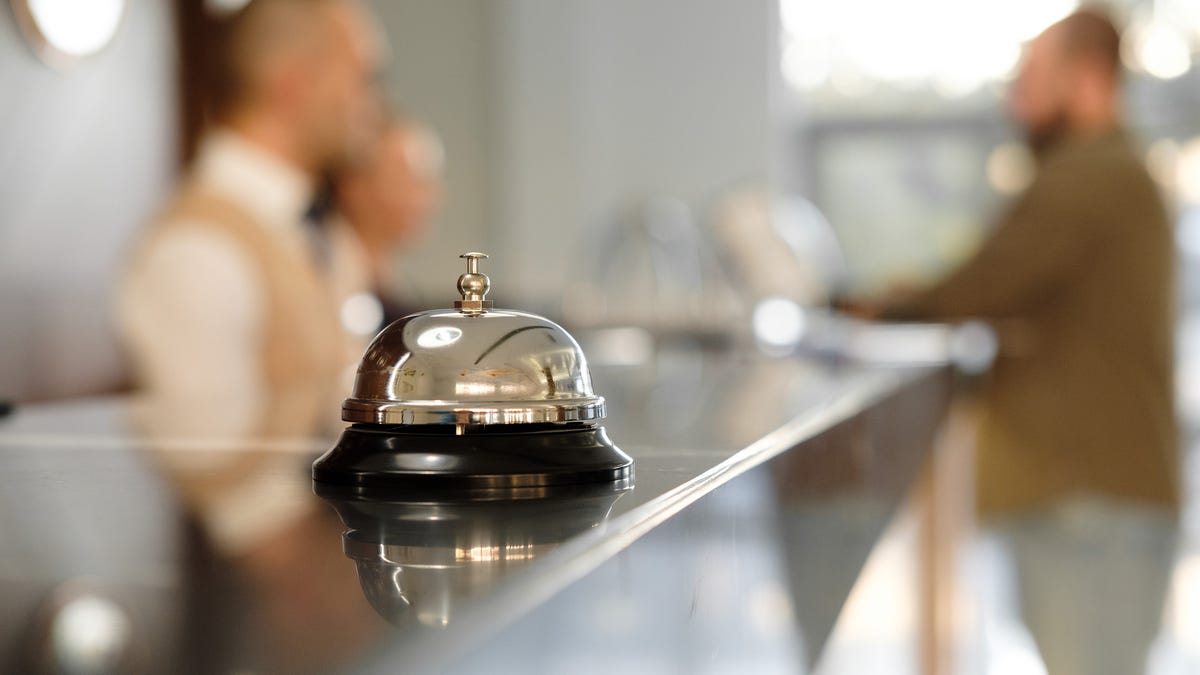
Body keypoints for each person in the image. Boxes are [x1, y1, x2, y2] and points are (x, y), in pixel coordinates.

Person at [845, 10, 1178, 674]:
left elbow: (978, 285)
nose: (1013, 100)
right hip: (1087, 502)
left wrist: (868, 305)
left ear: (1086, 80)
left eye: (1031, 77)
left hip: (1092, 502)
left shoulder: (1092, 174)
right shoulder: (1098, 171)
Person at [118, 0, 384, 409]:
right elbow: (205, 455)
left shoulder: (323, 231)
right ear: (296, 83)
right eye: (362, 78)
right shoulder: (199, 245)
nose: (372, 105)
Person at [334, 116, 444, 325]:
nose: (429, 198)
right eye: (411, 179)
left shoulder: (396, 288)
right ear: (353, 185)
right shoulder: (330, 277)